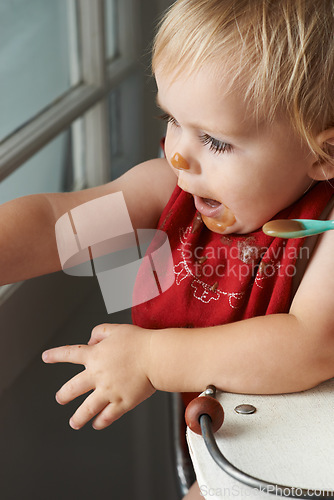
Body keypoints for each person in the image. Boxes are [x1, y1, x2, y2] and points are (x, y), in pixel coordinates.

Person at [3, 1, 334, 498]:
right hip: (230, 450)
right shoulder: (168, 195)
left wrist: (154, 358)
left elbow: (309, 344)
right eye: (172, 119)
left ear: (321, 154)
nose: (178, 152)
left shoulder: (324, 229)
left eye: (216, 141)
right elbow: (58, 224)